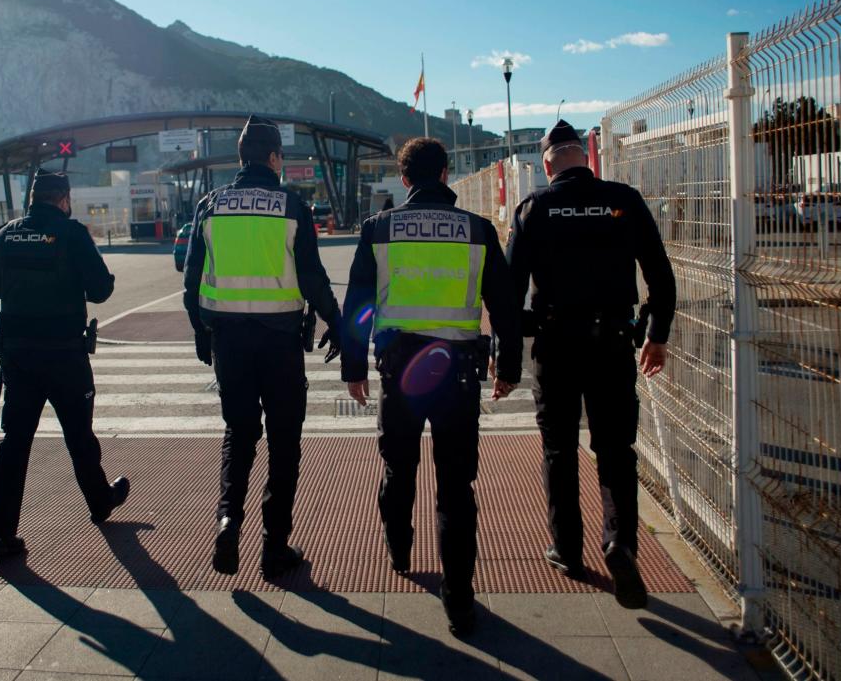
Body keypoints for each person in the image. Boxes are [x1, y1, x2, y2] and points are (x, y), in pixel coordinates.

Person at [341, 137, 521, 636]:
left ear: (404, 180)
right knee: (456, 485)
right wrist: (508, 367)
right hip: (458, 372)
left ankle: (399, 547)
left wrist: (353, 367)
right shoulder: (478, 230)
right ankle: (459, 596)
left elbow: (358, 304)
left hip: (400, 372)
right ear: (445, 173)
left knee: (399, 468)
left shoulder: (380, 229)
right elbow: (505, 307)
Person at [505, 119, 676, 609]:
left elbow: (510, 290)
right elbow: (661, 277)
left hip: (556, 345)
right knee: (616, 449)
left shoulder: (534, 209)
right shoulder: (624, 200)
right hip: (614, 342)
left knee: (559, 448)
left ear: (546, 164)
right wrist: (657, 335)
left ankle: (567, 549)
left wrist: (509, 356)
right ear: (585, 157)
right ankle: (620, 543)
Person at [183, 115, 342, 580]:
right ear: (274, 158)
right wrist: (337, 321)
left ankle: (228, 521)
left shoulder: (210, 205)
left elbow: (192, 283)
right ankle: (274, 547)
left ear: (240, 158)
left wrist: (201, 332)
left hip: (229, 343)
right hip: (281, 342)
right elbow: (311, 276)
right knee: (284, 441)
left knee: (239, 432)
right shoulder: (292, 206)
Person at [0, 169, 130, 559]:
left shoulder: (8, 233)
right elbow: (100, 290)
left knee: (14, 445)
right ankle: (100, 502)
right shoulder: (71, 233)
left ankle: (0, 534)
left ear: (32, 198)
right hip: (64, 356)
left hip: (19, 358)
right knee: (79, 436)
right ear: (63, 199)